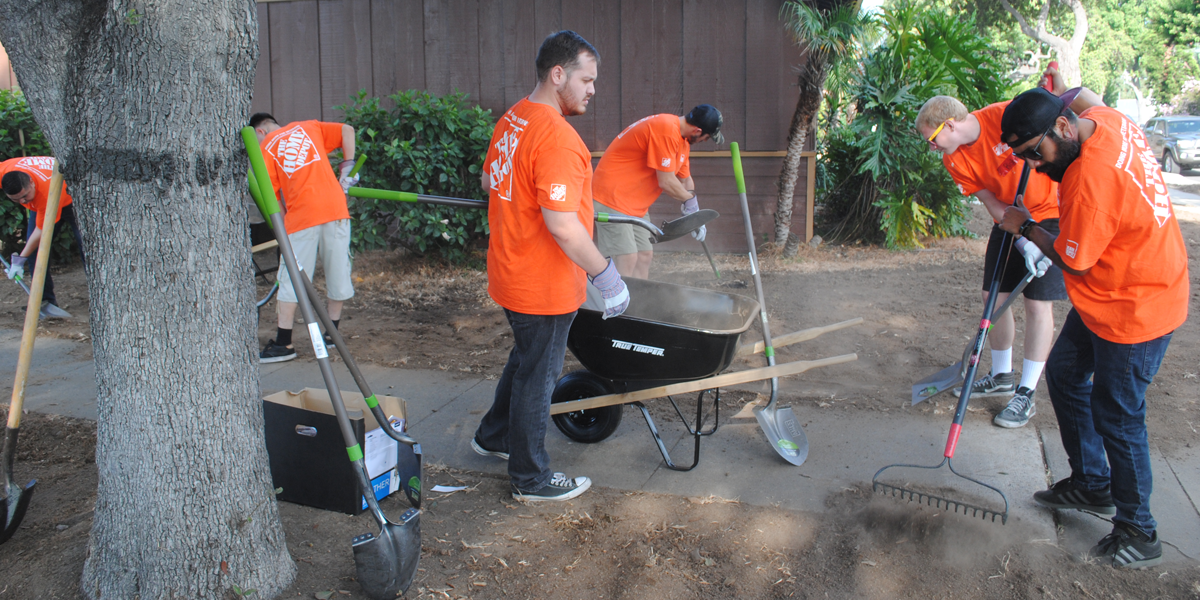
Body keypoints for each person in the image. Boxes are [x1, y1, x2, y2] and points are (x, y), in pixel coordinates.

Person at [998, 87, 1189, 569]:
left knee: (1118, 415)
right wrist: (1054, 90)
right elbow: (1082, 94)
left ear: (1062, 128)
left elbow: (1073, 261)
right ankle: (1092, 484)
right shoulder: (1105, 120)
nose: (1036, 167)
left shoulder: (1090, 179)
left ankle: (1139, 530)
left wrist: (1024, 226)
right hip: (1113, 291)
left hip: (1136, 306)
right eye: (1025, 159)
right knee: (1063, 373)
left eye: (1034, 154)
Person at [471, 30, 628, 503]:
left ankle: (493, 436)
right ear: (558, 74)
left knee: (526, 361)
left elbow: (487, 179)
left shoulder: (513, 118)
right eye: (587, 78)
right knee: (538, 378)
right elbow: (563, 227)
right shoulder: (558, 137)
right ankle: (531, 478)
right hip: (541, 283)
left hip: (510, 271)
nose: (592, 89)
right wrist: (606, 275)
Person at [916, 91, 1078, 428]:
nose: (930, 147)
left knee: (1037, 305)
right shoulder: (954, 160)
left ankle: (1026, 392)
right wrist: (1024, 241)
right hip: (1010, 220)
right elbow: (992, 205)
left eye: (931, 139)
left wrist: (1040, 240)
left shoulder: (1005, 116)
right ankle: (1002, 374)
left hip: (1050, 216)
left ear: (949, 125)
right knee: (993, 299)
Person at [250, 113, 359, 363]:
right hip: (335, 209)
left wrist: (283, 222)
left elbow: (272, 196)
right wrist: (347, 166)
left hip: (302, 217)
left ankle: (284, 343)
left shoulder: (266, 146)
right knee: (337, 271)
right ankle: (332, 335)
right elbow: (348, 130)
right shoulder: (309, 126)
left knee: (292, 279)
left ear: (259, 132)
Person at [591, 105, 723, 278]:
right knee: (626, 257)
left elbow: (685, 180)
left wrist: (694, 216)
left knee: (644, 255)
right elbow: (666, 181)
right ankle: (617, 303)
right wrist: (689, 201)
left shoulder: (683, 141)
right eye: (706, 138)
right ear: (697, 130)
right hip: (612, 198)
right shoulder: (666, 129)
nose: (704, 142)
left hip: (635, 204)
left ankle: (640, 301)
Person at [1, 156, 85, 315]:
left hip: (73, 200)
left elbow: (41, 232)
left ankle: (99, 299)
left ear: (31, 183)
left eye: (25, 196)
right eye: (15, 199)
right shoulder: (5, 173)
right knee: (35, 252)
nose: (22, 201)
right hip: (43, 201)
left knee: (88, 251)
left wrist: (19, 261)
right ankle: (45, 302)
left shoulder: (45, 194)